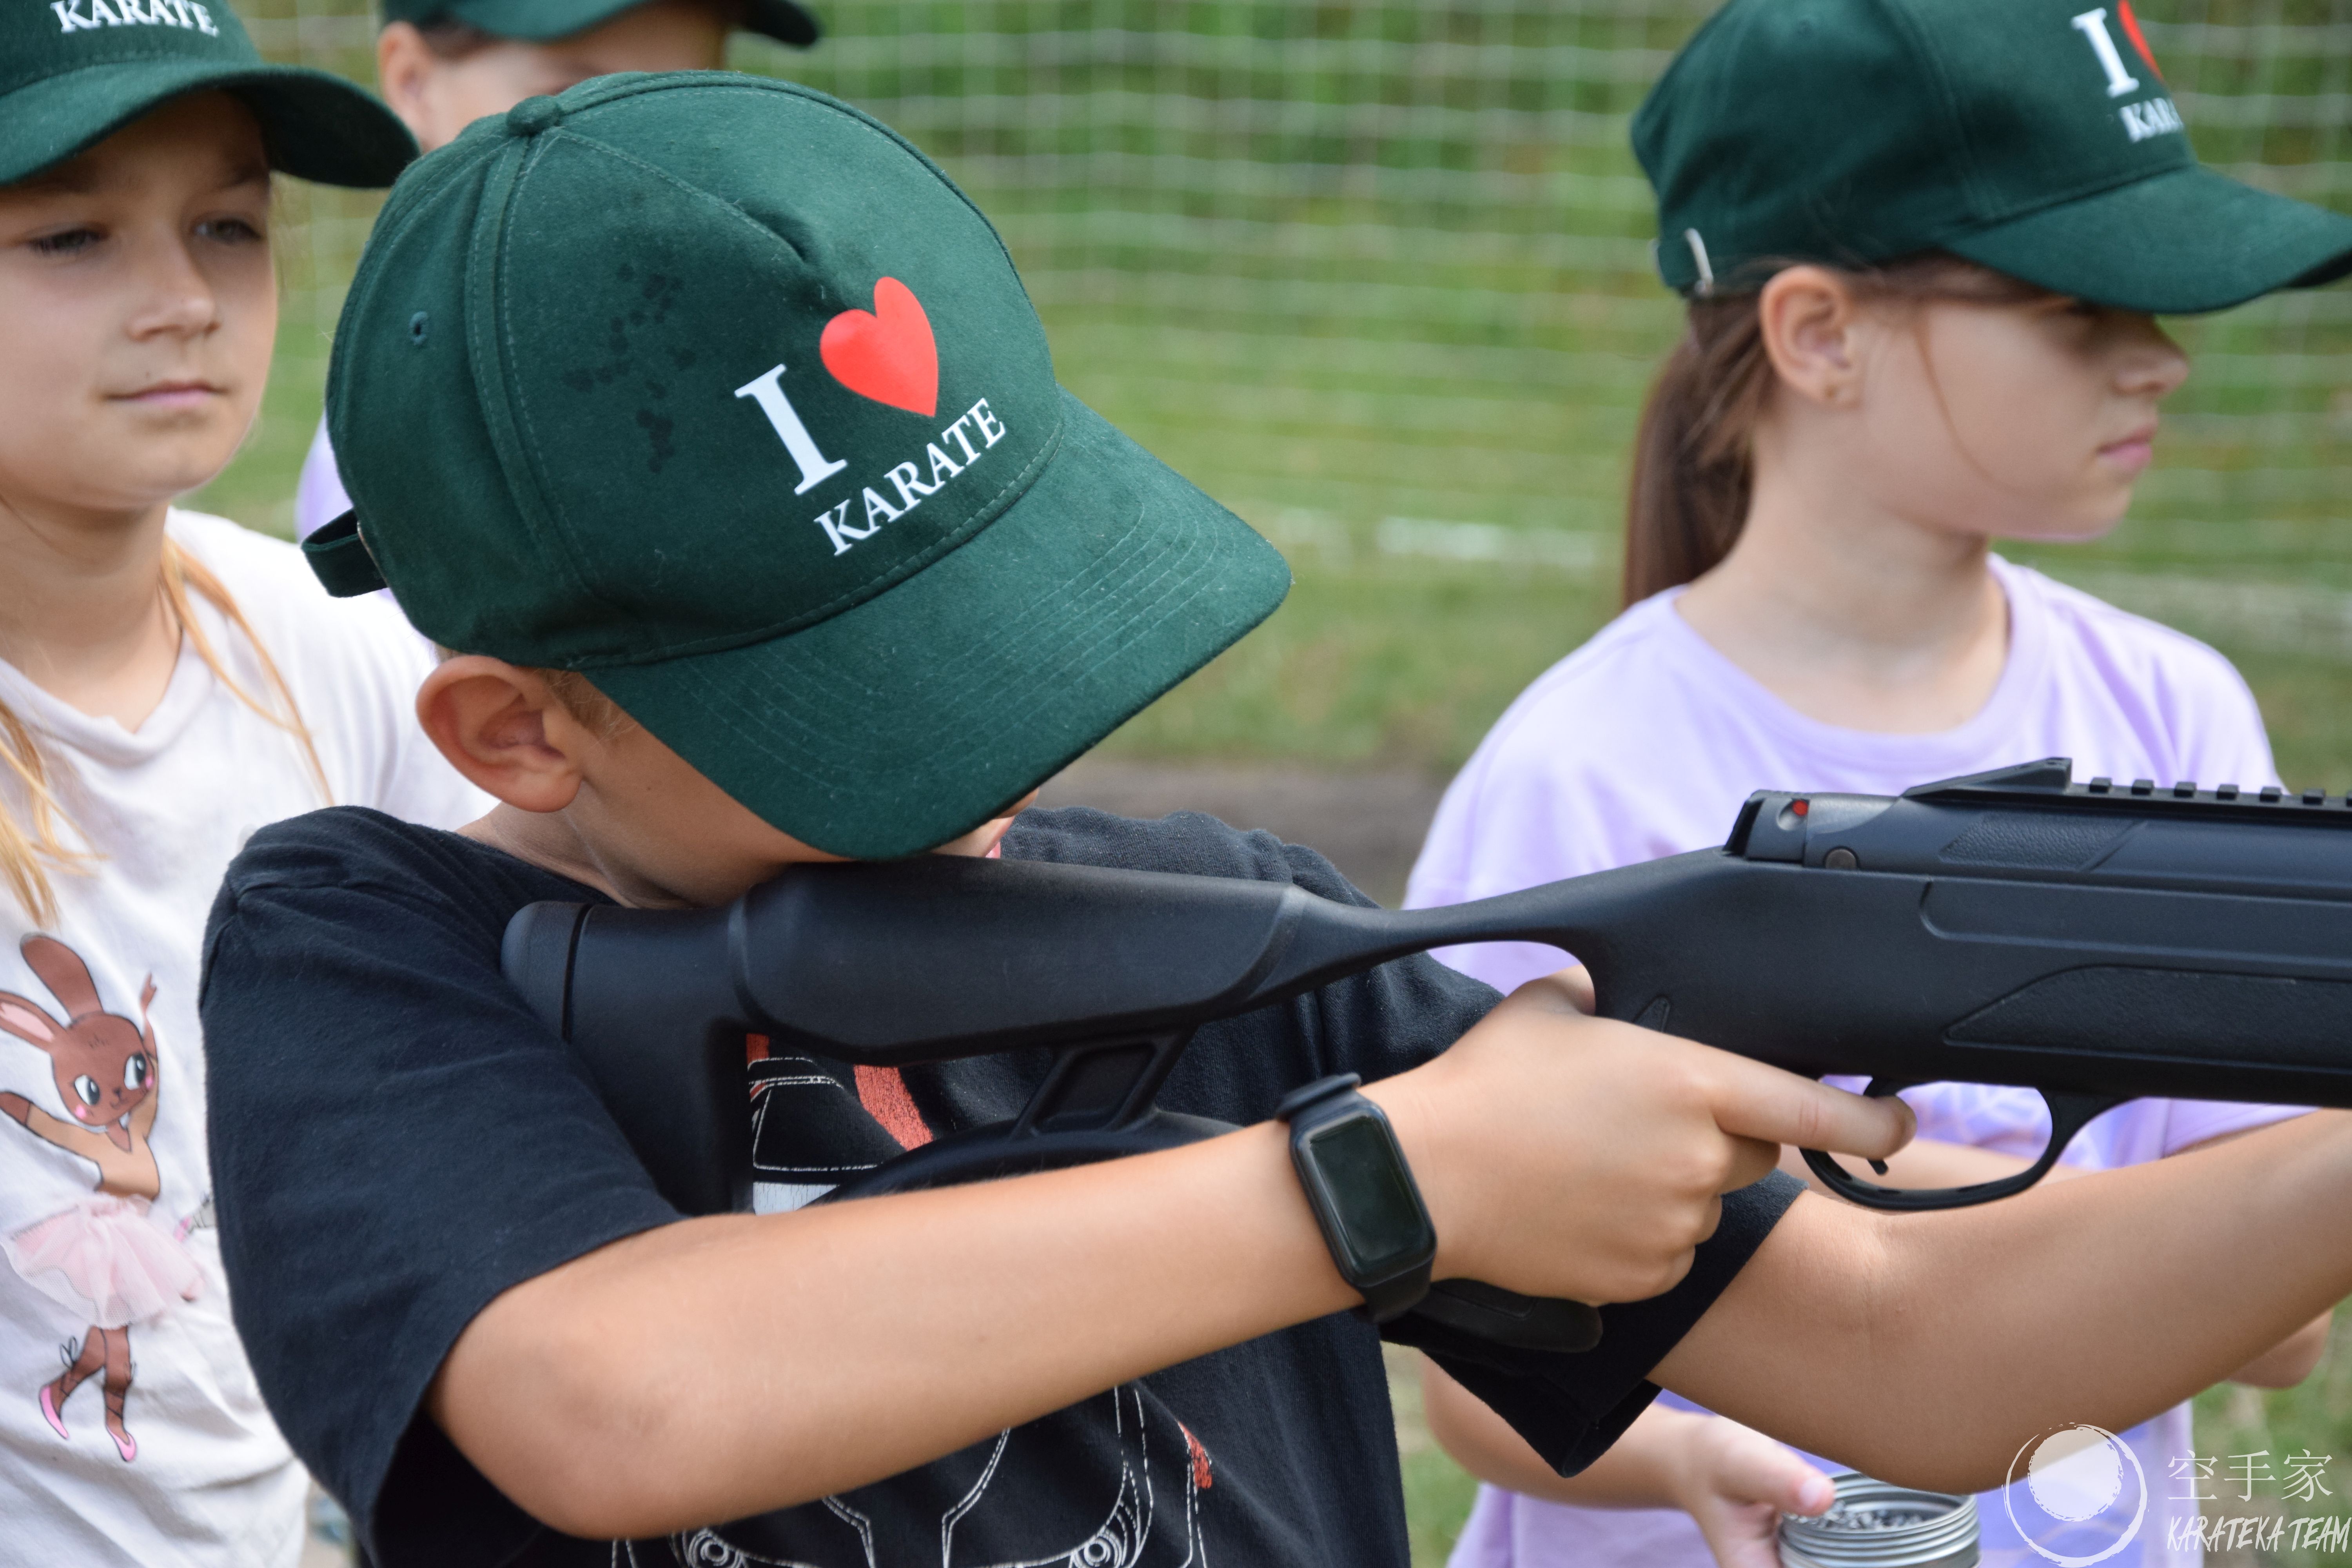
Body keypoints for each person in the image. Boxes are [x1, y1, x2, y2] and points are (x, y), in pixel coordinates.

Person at [196, 70, 2352, 1568]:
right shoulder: (368, 944)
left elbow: (1923, 1354)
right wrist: (1380, 1191)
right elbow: (611, 1402)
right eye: (876, 707)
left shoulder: (1240, 938)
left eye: (1007, 641)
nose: (1005, 762)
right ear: (512, 734)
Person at [1402, 0, 2352, 1564]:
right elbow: (1476, 1376)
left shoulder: (2173, 710)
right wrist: (1692, 1452)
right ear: (1822, 334)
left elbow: (2288, 1326)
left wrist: (1849, 1170)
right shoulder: (1586, 773)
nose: (2163, 362)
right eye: (2079, 307)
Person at [0, 6, 492, 1563]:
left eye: (228, 224)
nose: (186, 299)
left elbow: (539, 991)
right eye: (71, 234)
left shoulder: (314, 633)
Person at [290, 0, 819, 546]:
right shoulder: (404, 456)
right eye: (576, 98)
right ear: (414, 82)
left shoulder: (731, 321)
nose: (654, 152)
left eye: (686, 98)